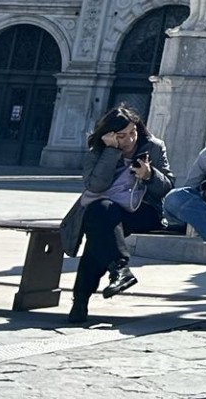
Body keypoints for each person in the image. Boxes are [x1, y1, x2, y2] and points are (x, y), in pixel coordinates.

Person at [60, 105, 172, 322]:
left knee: (99, 225)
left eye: (133, 132)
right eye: (122, 136)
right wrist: (111, 152)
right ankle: (119, 271)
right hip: (107, 210)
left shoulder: (154, 147)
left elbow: (167, 187)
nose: (130, 140)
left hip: (144, 210)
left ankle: (81, 300)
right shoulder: (98, 151)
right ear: (109, 135)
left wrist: (150, 175)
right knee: (101, 217)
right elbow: (96, 186)